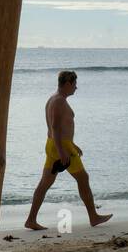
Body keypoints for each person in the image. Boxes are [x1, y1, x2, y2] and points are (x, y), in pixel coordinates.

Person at [25, 70, 112, 230]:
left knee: (45, 183)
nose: (76, 88)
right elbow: (56, 127)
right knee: (83, 178)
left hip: (56, 144)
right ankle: (93, 217)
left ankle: (31, 219)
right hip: (60, 146)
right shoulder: (58, 101)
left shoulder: (54, 99)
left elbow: (60, 128)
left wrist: (72, 144)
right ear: (67, 83)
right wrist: (64, 150)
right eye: (74, 84)